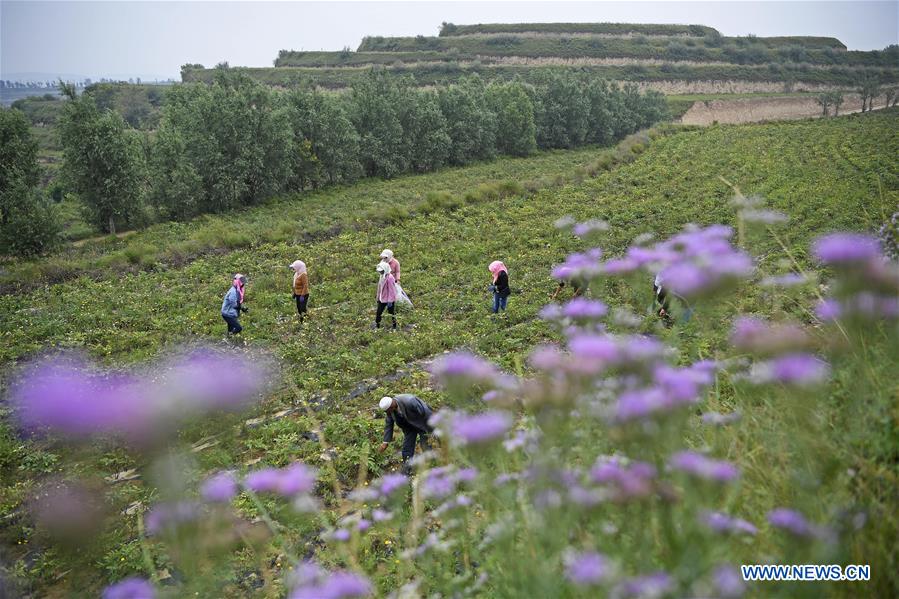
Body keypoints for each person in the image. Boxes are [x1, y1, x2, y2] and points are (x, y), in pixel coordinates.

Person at [378, 395, 434, 473]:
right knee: (407, 447)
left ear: (391, 407)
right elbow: (389, 424)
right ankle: (407, 467)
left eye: (387, 411)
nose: (387, 413)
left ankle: (432, 465)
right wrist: (385, 442)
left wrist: (431, 429)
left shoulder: (410, 401)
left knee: (425, 445)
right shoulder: (390, 411)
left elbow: (426, 412)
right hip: (409, 428)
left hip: (422, 424)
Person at [374, 261, 398, 330]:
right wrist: (378, 297)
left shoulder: (390, 278)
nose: (380, 272)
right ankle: (377, 325)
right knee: (379, 312)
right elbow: (379, 287)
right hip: (382, 298)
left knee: (391, 313)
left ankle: (394, 327)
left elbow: (392, 290)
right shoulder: (382, 276)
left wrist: (390, 301)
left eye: (381, 271)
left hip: (389, 299)